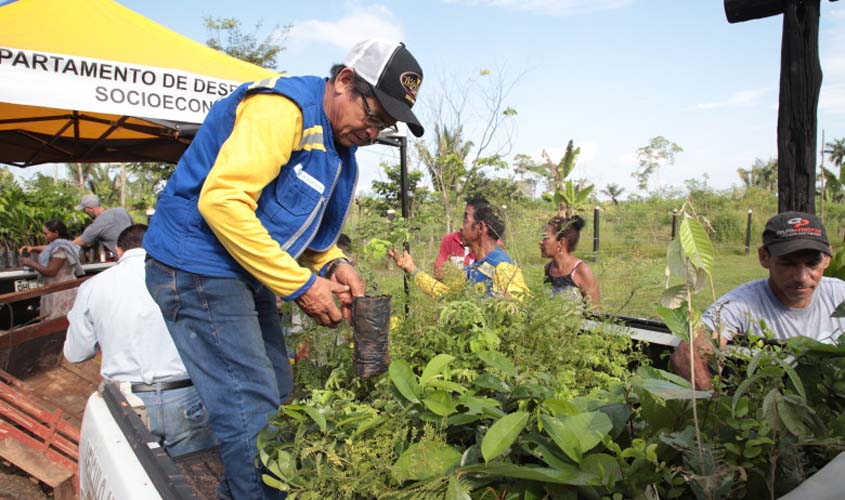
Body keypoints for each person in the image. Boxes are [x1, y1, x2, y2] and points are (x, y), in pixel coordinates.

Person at [142, 39, 424, 499]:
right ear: (345, 81)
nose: (374, 132)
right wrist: (301, 286)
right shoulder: (283, 111)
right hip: (196, 264)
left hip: (238, 267)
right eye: (373, 116)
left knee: (276, 382)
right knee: (249, 405)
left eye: (384, 125)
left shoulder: (336, 142)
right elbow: (223, 202)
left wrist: (334, 262)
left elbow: (297, 224)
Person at [64, 224, 216, 457]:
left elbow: (76, 354)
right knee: (194, 479)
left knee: (137, 479)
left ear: (117, 249)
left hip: (126, 400)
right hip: (186, 397)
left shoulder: (92, 287)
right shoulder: (187, 280)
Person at [672, 212, 845, 389]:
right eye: (788, 263)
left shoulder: (840, 294)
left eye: (811, 263)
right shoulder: (741, 304)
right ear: (764, 257)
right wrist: (714, 404)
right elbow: (688, 353)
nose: (801, 277)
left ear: (827, 258)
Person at [389, 197, 528, 299]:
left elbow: (518, 311)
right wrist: (412, 269)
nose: (461, 227)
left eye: (465, 221)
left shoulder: (503, 266)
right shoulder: (474, 269)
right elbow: (446, 294)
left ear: (480, 227)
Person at [19, 218, 83, 319]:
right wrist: (34, 248)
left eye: (46, 233)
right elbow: (48, 248)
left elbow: (51, 272)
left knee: (57, 322)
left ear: (56, 233)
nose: (44, 236)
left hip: (61, 289)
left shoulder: (61, 248)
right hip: (60, 287)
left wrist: (30, 263)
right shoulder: (64, 244)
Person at [539, 215, 600, 306]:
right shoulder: (548, 269)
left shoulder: (581, 270)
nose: (540, 242)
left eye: (545, 238)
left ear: (562, 242)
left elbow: (595, 311)